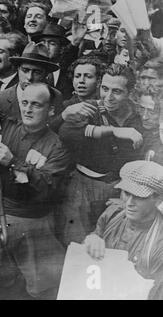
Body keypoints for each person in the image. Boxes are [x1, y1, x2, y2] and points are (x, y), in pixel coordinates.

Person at [0, 83, 71, 300]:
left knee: (39, 288)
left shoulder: (57, 147)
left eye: (36, 104)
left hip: (33, 226)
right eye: (24, 103)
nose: (28, 109)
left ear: (51, 110)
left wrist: (13, 162)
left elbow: (47, 188)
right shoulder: (6, 127)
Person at [59, 64, 145, 246]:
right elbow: (67, 133)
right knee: (78, 244)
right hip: (83, 188)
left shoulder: (139, 116)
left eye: (117, 91)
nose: (109, 97)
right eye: (105, 89)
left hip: (119, 189)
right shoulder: (91, 108)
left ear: (130, 93)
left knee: (112, 243)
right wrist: (113, 131)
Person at [84, 160, 163, 300]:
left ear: (157, 199)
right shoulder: (113, 213)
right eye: (126, 193)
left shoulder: (159, 241)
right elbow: (97, 234)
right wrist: (92, 239)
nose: (129, 203)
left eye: (139, 196)